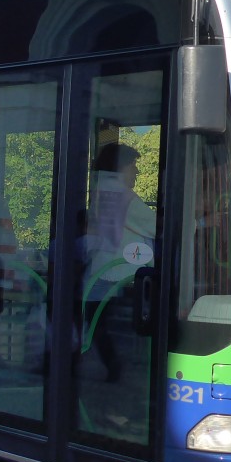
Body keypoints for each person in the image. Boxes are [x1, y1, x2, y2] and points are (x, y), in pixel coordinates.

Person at [81, 143, 156, 382]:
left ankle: (112, 370)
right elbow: (158, 226)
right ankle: (119, 375)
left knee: (98, 326)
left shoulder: (101, 191)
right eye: (132, 165)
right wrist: (201, 222)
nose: (136, 172)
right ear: (120, 167)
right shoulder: (126, 198)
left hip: (100, 271)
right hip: (121, 276)